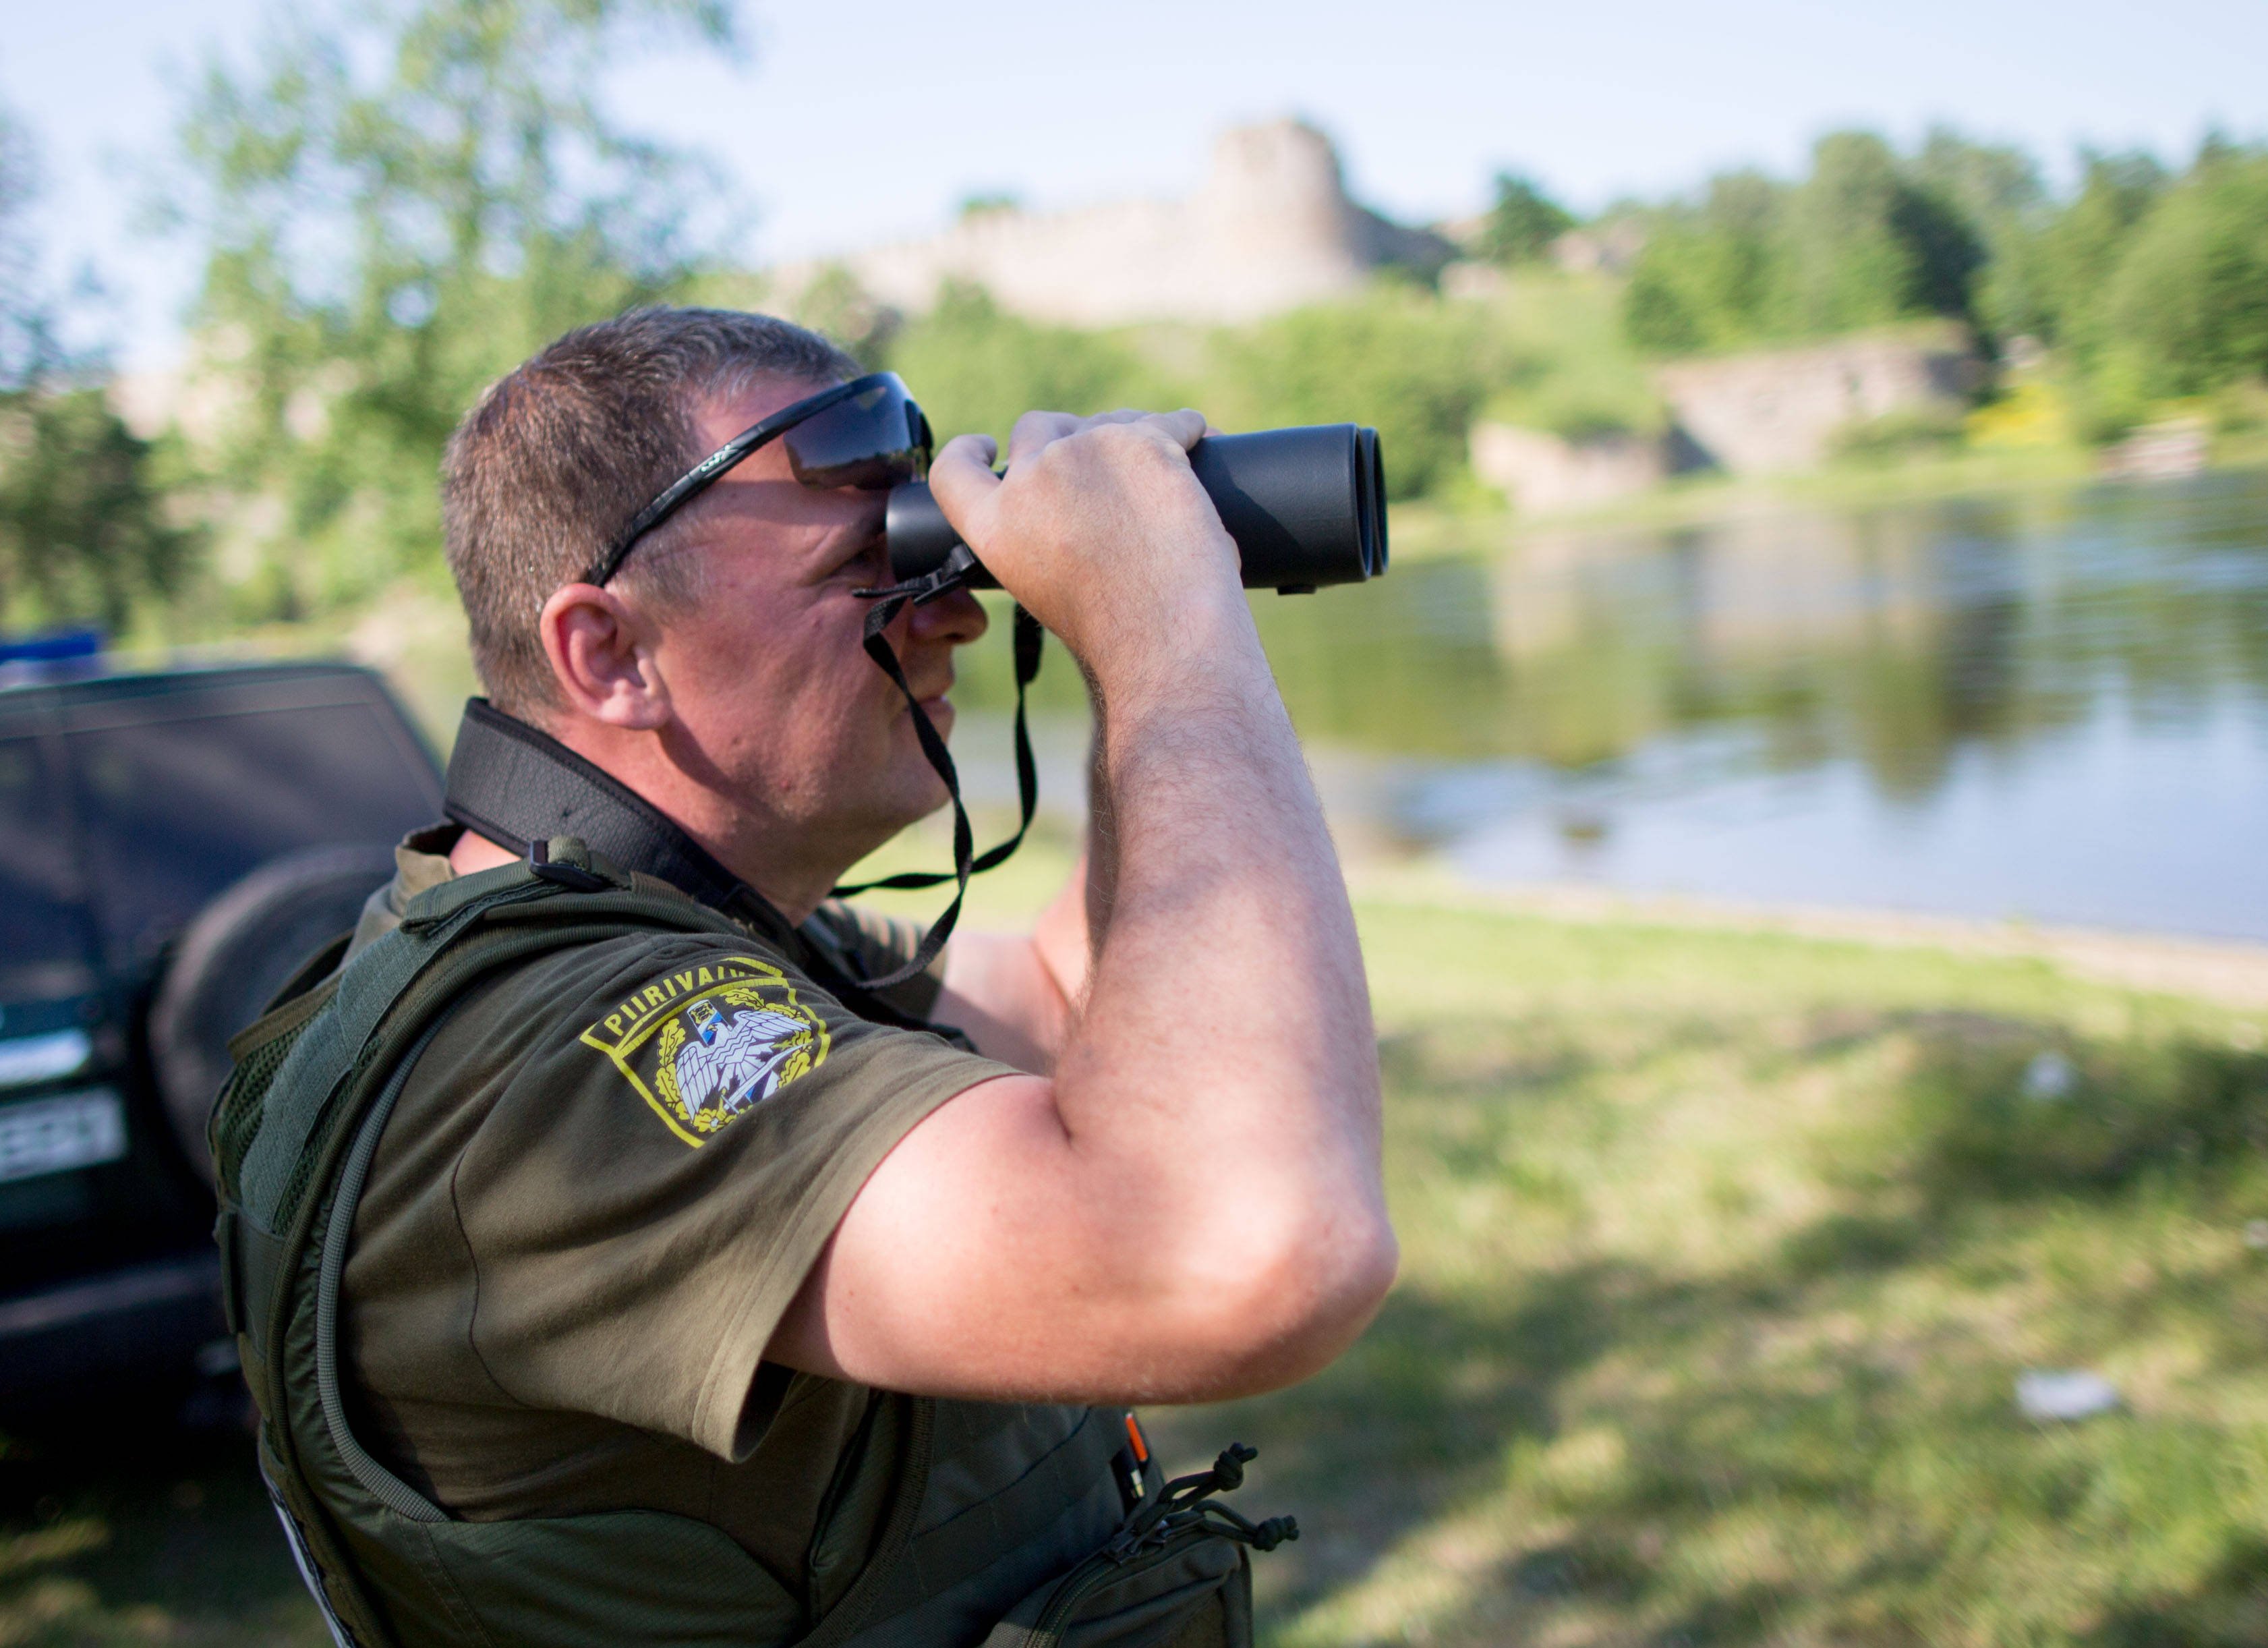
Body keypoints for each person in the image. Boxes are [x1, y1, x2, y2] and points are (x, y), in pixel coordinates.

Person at [216, 306, 1393, 1648]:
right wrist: (1168, 631)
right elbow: (1241, 1251)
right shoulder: (547, 1064)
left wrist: (1132, 610)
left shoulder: (688, 940)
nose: (955, 612)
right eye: (868, 568)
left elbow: (1075, 1008)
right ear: (611, 654)